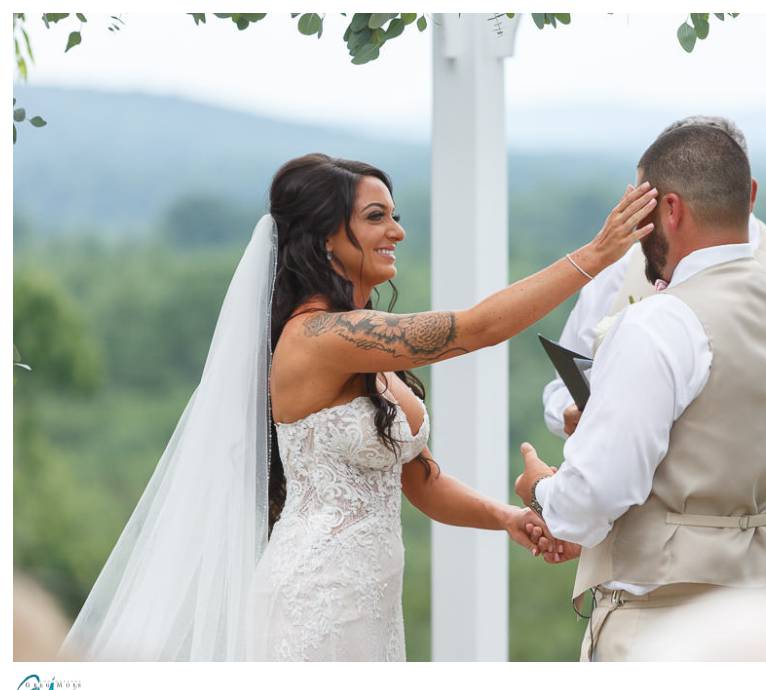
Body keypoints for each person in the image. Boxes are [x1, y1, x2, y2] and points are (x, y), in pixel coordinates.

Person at [59, 154, 657, 662]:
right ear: (323, 238)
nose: (396, 230)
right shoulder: (321, 337)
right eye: (376, 218)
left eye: (394, 215)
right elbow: (473, 329)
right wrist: (598, 255)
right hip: (314, 598)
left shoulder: (367, 350)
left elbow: (421, 482)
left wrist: (506, 518)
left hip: (369, 599)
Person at [515, 125, 766, 661]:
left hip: (670, 623)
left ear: (672, 211)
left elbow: (593, 497)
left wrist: (542, 489)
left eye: (642, 213)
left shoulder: (659, 323)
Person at [540, 115, 766, 581]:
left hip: (681, 591)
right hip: (702, 569)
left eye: (646, 206)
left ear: (671, 208)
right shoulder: (621, 272)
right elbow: (560, 389)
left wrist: (665, 427)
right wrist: (592, 415)